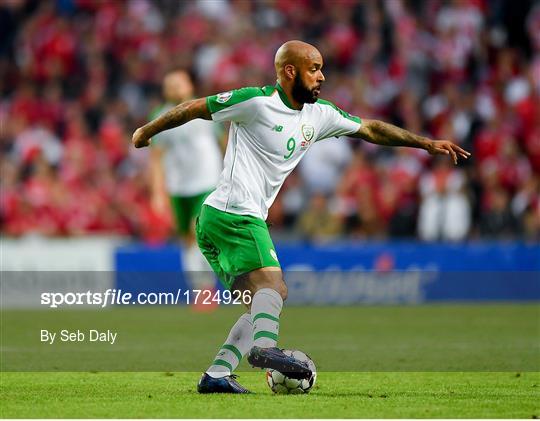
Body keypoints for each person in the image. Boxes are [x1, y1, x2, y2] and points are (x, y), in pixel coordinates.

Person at [132, 40, 470, 393]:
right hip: (234, 214)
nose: (322, 76)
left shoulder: (318, 115)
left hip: (219, 220)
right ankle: (264, 350)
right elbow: (193, 108)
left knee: (259, 305)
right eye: (314, 69)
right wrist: (146, 131)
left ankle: (216, 375)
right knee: (273, 287)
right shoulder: (256, 103)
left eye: (322, 68)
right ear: (289, 71)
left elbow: (370, 129)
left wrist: (425, 143)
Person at [149, 70, 223, 295]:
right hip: (178, 186)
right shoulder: (160, 117)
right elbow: (157, 158)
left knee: (198, 229)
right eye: (169, 84)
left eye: (178, 83)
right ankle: (199, 289)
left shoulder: (204, 110)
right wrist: (157, 193)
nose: (174, 88)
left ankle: (207, 288)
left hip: (207, 181)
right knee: (187, 239)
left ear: (190, 86)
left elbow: (224, 143)